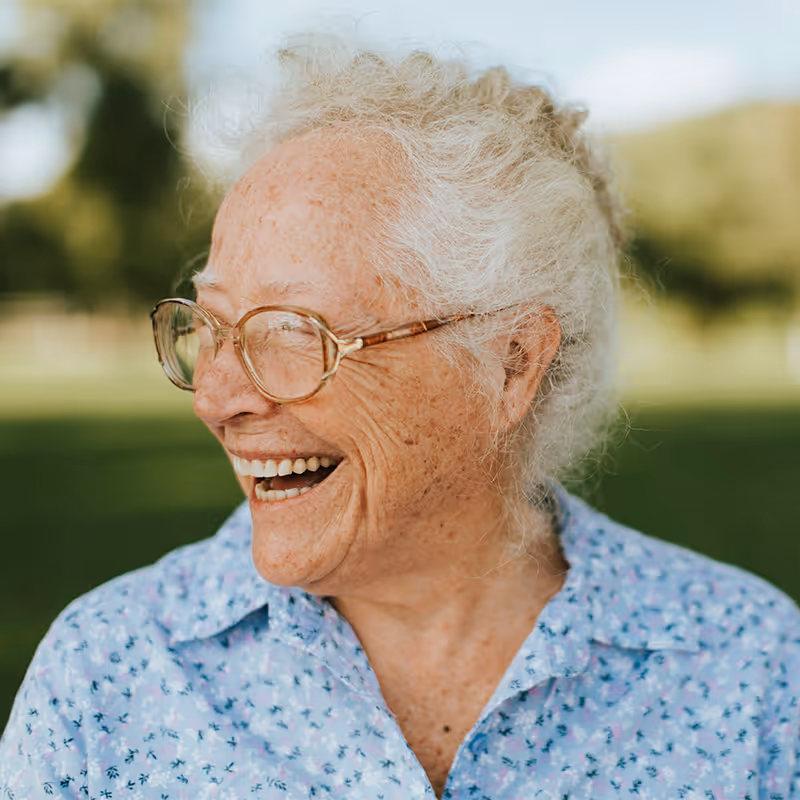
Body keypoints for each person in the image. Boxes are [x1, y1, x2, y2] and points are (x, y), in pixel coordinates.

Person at [2, 33, 799, 799]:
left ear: (511, 363)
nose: (216, 398)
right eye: (208, 326)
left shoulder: (753, 669)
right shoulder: (107, 672)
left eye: (292, 333)